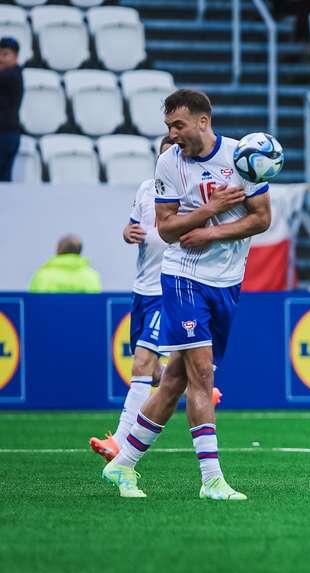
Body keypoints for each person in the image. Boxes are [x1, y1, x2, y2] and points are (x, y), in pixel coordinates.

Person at [101, 89, 272, 501]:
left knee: (175, 378)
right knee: (202, 373)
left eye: (178, 125)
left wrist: (210, 231)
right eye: (168, 127)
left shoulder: (242, 157)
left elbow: (262, 219)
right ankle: (211, 479)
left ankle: (121, 464)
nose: (172, 134)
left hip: (228, 281)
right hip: (182, 276)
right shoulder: (169, 162)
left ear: (202, 121)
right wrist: (209, 211)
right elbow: (166, 228)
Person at [89, 137, 223, 462]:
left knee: (142, 361)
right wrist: (127, 232)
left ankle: (120, 441)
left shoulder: (191, 192)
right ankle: (200, 387)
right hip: (142, 289)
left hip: (170, 288)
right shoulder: (147, 189)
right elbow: (135, 226)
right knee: (156, 373)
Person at [29, 235, 102, 293]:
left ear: (58, 250)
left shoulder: (42, 276)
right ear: (79, 251)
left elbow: (32, 305)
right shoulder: (91, 277)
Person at [0, 37, 23, 182]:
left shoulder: (12, 75)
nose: (0, 58)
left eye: (5, 54)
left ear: (15, 57)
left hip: (5, 135)